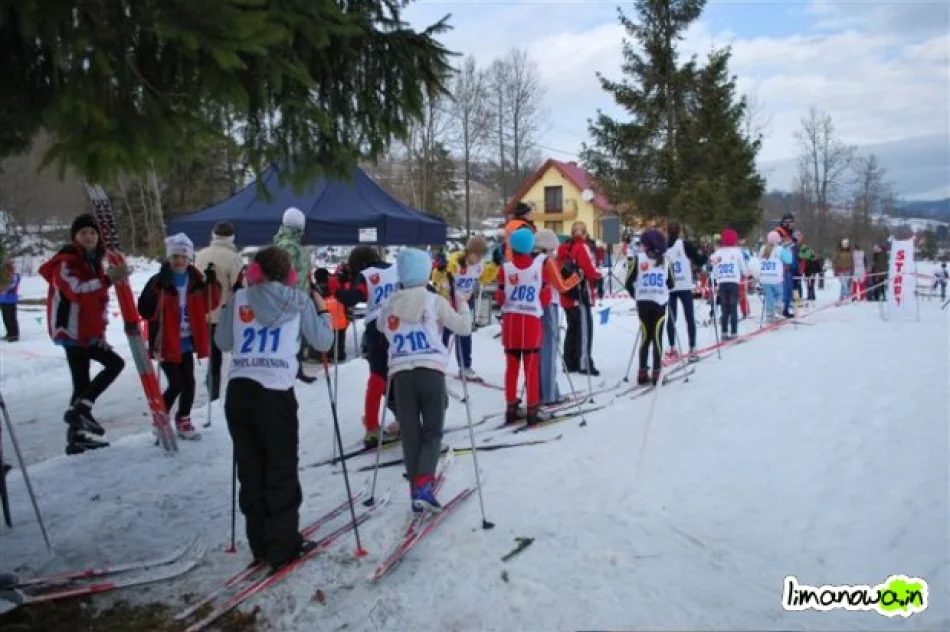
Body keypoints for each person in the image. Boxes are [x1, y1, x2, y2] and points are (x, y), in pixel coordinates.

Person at [215, 245, 334, 572]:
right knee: (280, 470)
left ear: (256, 272)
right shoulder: (298, 301)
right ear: (289, 274)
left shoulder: (240, 298)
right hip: (275, 393)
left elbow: (222, 342)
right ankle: (282, 546)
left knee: (251, 469)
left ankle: (260, 543)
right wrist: (323, 311)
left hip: (239, 391)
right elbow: (323, 342)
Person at [378, 248, 472, 513]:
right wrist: (462, 302)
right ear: (425, 272)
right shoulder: (434, 301)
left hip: (401, 375)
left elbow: (379, 327)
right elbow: (463, 327)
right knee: (432, 430)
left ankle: (416, 491)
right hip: (430, 370)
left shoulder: (390, 303)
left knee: (410, 432)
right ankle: (423, 486)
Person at [38, 214, 129, 455]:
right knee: (115, 364)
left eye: (92, 233)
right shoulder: (66, 262)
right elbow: (76, 291)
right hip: (71, 330)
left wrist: (101, 334)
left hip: (85, 331)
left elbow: (97, 303)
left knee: (81, 381)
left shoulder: (93, 262)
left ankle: (76, 437)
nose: (88, 236)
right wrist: (108, 279)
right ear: (75, 237)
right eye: (83, 233)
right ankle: (82, 410)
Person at [137, 234, 221, 440]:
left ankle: (183, 419)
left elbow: (210, 303)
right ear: (168, 258)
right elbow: (144, 310)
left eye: (183, 256)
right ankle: (160, 418)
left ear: (189, 258)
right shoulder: (159, 281)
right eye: (175, 256)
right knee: (176, 383)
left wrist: (212, 284)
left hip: (186, 339)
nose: (179, 261)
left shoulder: (196, 280)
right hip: (166, 340)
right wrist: (153, 295)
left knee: (189, 383)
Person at [495, 228, 572, 425]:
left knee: (511, 367)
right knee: (531, 367)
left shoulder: (505, 268)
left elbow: (499, 297)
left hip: (511, 322)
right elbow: (545, 299)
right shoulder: (539, 267)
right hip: (530, 323)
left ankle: (511, 407)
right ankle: (532, 409)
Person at [333, 246, 399, 448]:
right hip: (400, 325)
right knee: (402, 373)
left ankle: (372, 428)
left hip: (377, 329)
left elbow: (355, 297)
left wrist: (337, 284)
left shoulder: (366, 274)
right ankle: (408, 418)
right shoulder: (397, 268)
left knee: (378, 377)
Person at [429, 235, 498, 380]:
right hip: (448, 303)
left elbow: (485, 277)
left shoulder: (479, 265)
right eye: (476, 254)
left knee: (465, 335)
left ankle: (465, 367)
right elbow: (438, 279)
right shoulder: (455, 262)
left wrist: (495, 266)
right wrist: (440, 270)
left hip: (464, 303)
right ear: (468, 252)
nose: (479, 258)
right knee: (443, 336)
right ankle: (437, 365)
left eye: (481, 255)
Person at [194, 221, 244, 401]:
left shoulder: (200, 255)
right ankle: (217, 391)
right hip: (223, 313)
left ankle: (212, 385)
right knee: (229, 351)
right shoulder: (234, 258)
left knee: (213, 354)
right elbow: (240, 287)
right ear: (232, 237)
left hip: (202, 311)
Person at [534, 229, 579, 406]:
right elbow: (561, 286)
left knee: (538, 352)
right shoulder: (547, 261)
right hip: (549, 306)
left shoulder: (532, 259)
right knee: (550, 352)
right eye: (553, 249)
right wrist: (576, 277)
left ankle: (539, 391)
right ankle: (550, 394)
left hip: (534, 308)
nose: (554, 252)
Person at [624, 229, 674, 385]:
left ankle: (642, 372)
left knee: (646, 336)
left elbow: (628, 282)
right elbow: (671, 284)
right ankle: (657, 373)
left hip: (644, 302)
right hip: (659, 302)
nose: (642, 247)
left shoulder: (638, 259)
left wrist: (636, 294)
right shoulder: (665, 261)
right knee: (657, 337)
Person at [274, 207, 316, 379]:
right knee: (291, 337)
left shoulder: (293, 245)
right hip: (290, 300)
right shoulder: (288, 247)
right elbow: (285, 275)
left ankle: (295, 369)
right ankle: (291, 370)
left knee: (297, 337)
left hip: (296, 298)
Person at [558, 221, 603, 375]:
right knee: (584, 329)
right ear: (584, 233)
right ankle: (584, 363)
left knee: (572, 329)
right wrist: (598, 277)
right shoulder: (581, 247)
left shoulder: (564, 247)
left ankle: (569, 361)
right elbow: (589, 270)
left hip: (566, 294)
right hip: (580, 293)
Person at [664, 221, 706, 361]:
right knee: (689, 317)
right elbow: (699, 261)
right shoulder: (685, 244)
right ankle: (692, 349)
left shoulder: (663, 246)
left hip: (670, 287)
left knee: (671, 318)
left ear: (667, 231)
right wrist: (704, 256)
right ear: (679, 231)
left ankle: (671, 348)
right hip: (684, 286)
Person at [710, 228, 749, 339]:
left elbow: (714, 267)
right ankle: (734, 332)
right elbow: (743, 268)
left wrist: (717, 277)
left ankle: (724, 332)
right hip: (733, 282)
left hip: (722, 282)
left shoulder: (718, 253)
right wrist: (747, 273)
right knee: (733, 307)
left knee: (724, 307)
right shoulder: (737, 252)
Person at [313, 267, 348, 362]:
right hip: (340, 322)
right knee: (339, 345)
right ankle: (339, 355)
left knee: (325, 343)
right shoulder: (336, 286)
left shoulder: (315, 290)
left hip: (325, 321)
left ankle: (324, 356)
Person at [759, 231, 792, 322]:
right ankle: (778, 312)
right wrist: (787, 249)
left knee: (769, 297)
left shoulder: (763, 248)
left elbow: (759, 260)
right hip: (776, 278)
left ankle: (769, 316)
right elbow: (789, 260)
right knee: (779, 295)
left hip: (765, 278)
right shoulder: (780, 249)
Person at [0, 255, 20, 342]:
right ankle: (9, 333)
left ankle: (14, 334)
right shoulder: (2, 272)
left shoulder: (14, 273)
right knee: (5, 317)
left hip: (10, 298)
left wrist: (5, 289)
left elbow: (13, 284)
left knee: (11, 317)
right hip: (3, 298)